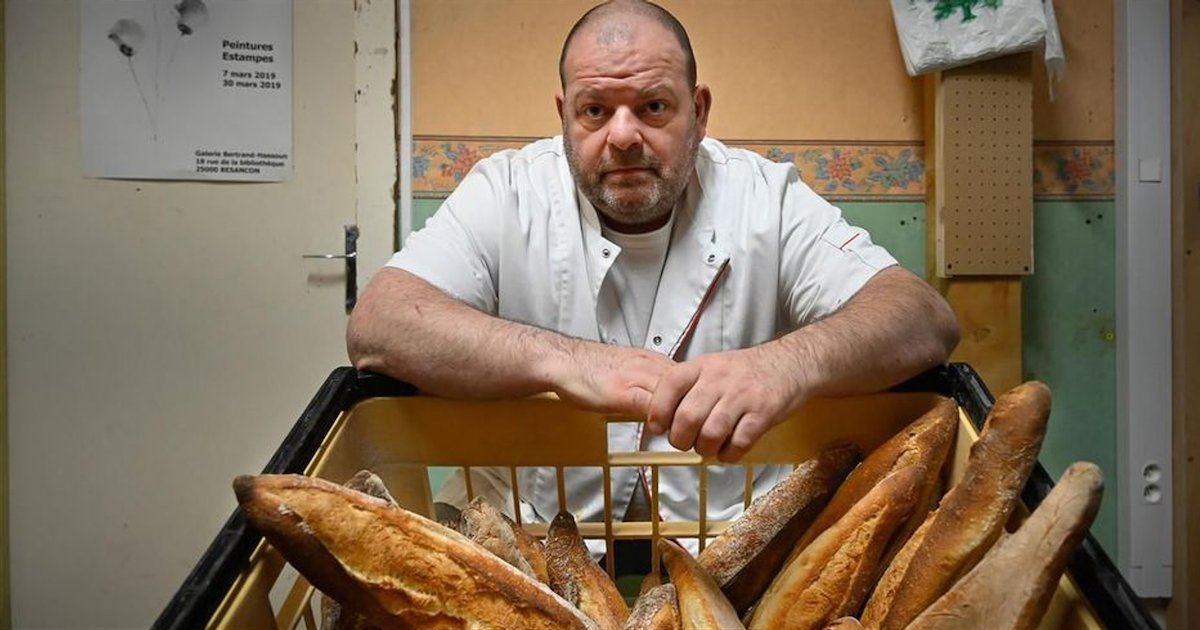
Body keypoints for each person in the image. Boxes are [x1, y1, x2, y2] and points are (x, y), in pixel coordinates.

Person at [347, 0, 959, 553]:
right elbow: (379, 323)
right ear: (564, 116)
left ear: (699, 111)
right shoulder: (507, 191)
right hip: (531, 541)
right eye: (594, 111)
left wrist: (787, 364)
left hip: (736, 545)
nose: (621, 136)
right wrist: (562, 360)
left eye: (653, 107)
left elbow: (922, 318)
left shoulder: (764, 199)